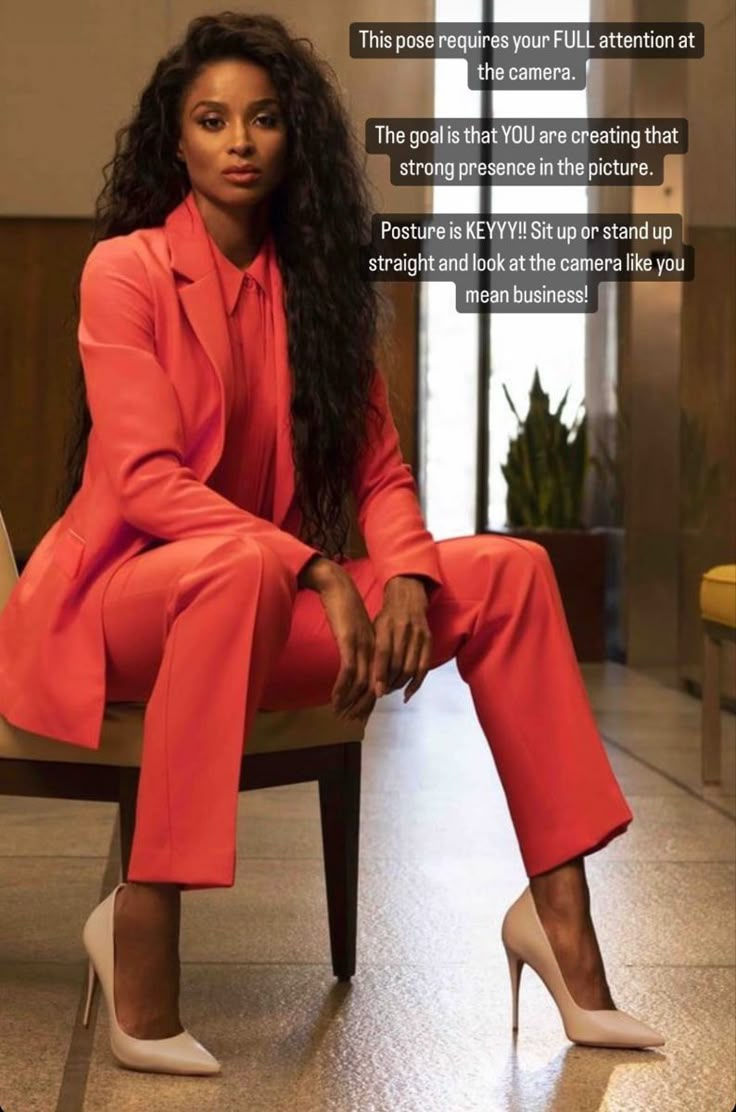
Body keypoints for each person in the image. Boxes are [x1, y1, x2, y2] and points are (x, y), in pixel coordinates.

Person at [0, 11, 664, 1076]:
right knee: (230, 567)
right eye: (211, 119)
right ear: (175, 141)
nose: (240, 139)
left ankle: (561, 917)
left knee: (510, 569)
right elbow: (141, 478)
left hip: (251, 616)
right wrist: (311, 561)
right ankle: (143, 924)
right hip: (117, 608)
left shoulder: (318, 291)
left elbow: (380, 474)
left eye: (263, 118)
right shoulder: (123, 270)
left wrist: (401, 571)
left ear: (290, 136)